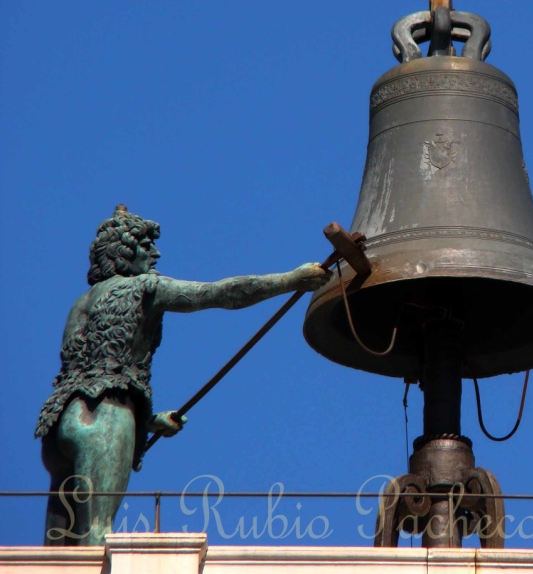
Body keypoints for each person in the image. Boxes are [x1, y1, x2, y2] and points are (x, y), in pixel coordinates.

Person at [36, 205, 331, 546]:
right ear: (125, 252)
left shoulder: (81, 303)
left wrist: (146, 421)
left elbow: (89, 373)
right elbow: (221, 293)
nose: (156, 253)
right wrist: (290, 280)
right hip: (107, 418)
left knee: (57, 553)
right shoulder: (145, 287)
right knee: (99, 542)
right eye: (146, 245)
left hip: (60, 426)